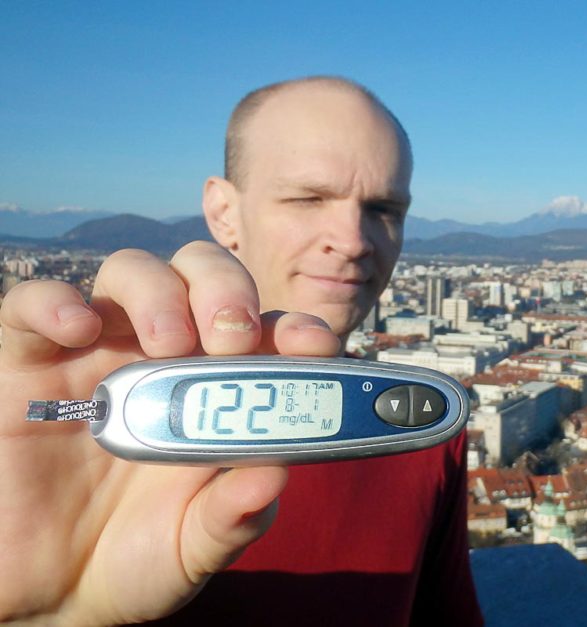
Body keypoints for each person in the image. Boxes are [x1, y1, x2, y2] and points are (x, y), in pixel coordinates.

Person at [0, 77, 482, 626]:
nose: (353, 240)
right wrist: (43, 614)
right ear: (224, 213)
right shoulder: (84, 433)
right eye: (308, 198)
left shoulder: (425, 433)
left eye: (385, 208)